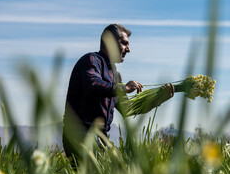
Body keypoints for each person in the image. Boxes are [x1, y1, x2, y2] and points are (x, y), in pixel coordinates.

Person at [62, 24, 174, 159]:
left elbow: (128, 109)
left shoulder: (115, 75)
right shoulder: (91, 60)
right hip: (80, 135)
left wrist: (159, 98)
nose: (128, 49)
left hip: (101, 139)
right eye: (124, 43)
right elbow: (93, 84)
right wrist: (124, 88)